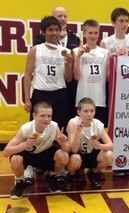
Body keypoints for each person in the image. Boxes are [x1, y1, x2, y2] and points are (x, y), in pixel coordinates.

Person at [23, 16, 73, 183]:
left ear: (61, 32)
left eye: (57, 30)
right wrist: (27, 99)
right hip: (40, 94)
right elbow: (28, 75)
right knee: (36, 132)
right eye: (50, 30)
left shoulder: (65, 52)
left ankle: (56, 168)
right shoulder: (36, 50)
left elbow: (69, 78)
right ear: (43, 32)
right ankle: (31, 165)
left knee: (60, 132)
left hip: (59, 94)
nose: (54, 33)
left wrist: (68, 64)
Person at [100, 7, 129, 177]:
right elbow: (104, 73)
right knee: (111, 125)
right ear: (113, 23)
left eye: (126, 21)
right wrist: (113, 59)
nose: (124, 24)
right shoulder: (105, 43)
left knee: (127, 125)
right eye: (121, 21)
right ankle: (109, 159)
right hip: (112, 87)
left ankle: (125, 160)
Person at [2, 101, 70, 199]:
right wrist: (25, 145)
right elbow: (5, 152)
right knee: (15, 159)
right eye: (42, 116)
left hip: (45, 154)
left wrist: (63, 143)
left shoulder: (54, 126)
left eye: (49, 116)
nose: (46, 119)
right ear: (34, 115)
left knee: (64, 156)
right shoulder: (25, 128)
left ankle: (51, 176)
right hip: (28, 154)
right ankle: (20, 182)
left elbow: (67, 150)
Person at [65, 97, 114, 190]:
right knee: (75, 159)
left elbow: (111, 145)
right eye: (86, 111)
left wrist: (100, 146)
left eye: (92, 111)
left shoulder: (98, 124)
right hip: (77, 155)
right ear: (79, 112)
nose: (89, 114)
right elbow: (74, 150)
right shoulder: (73, 122)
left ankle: (93, 173)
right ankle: (71, 176)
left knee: (109, 155)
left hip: (91, 154)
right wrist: (78, 131)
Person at [73, 19, 109, 127]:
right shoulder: (76, 51)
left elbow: (107, 78)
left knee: (98, 134)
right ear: (84, 34)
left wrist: (115, 61)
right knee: (82, 132)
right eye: (90, 33)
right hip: (83, 98)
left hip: (99, 99)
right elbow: (76, 76)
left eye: (96, 33)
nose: (93, 36)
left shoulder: (105, 53)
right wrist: (79, 56)